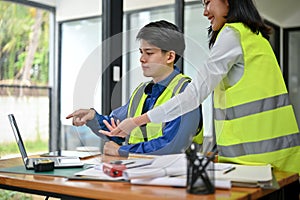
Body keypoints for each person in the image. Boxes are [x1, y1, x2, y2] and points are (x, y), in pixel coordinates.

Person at [101, 0, 300, 174]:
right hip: (278, 158)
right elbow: (112, 123)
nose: (205, 11)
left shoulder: (232, 33)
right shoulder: (255, 38)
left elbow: (193, 96)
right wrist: (94, 117)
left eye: (207, 2)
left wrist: (136, 122)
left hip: (254, 164)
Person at [66, 20, 203, 157]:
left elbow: (172, 146)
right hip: (138, 173)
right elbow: (116, 130)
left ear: (170, 56)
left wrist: (122, 150)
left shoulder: (186, 92)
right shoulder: (141, 92)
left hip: (174, 175)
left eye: (149, 53)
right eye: (141, 52)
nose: (142, 59)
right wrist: (93, 118)